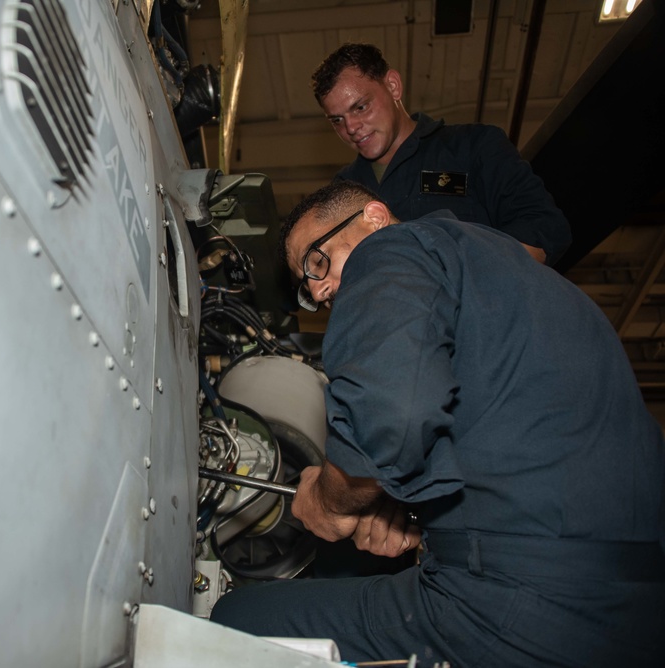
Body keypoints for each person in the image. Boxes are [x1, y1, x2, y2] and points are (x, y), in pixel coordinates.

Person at [210, 181, 665, 666]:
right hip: (636, 609)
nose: (318, 290)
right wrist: (410, 516)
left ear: (375, 217)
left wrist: (329, 500)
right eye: (306, 285)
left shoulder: (393, 250)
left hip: (519, 601)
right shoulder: (517, 281)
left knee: (235, 621)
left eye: (317, 261)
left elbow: (393, 419)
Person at [313, 43, 570, 266]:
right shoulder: (341, 192)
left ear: (393, 86)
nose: (351, 127)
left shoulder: (474, 146)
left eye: (360, 106)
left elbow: (543, 229)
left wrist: (456, 274)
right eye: (337, 120)